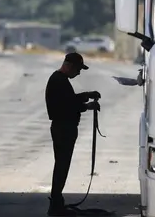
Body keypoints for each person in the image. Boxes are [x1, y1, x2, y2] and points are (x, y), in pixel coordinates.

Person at [45, 52, 101, 216]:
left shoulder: (60, 80)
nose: (78, 73)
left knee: (62, 165)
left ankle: (57, 202)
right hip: (63, 128)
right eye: (77, 69)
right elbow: (67, 105)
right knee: (61, 166)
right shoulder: (58, 81)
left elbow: (70, 99)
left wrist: (86, 95)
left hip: (65, 128)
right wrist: (87, 106)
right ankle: (55, 203)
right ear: (68, 66)